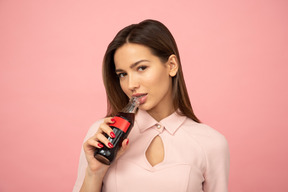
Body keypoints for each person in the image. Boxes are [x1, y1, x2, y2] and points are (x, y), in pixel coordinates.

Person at [73, 19, 230, 192]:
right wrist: (95, 172)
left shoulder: (211, 143)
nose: (131, 84)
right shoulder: (103, 136)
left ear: (171, 65)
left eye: (141, 68)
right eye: (122, 74)